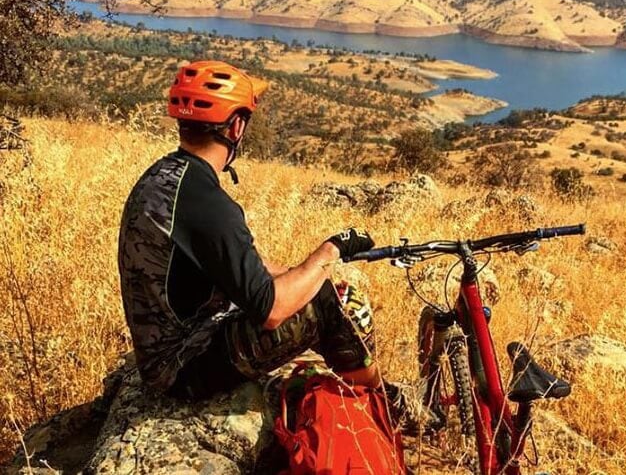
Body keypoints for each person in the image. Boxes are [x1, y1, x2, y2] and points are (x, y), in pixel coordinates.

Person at [117, 60, 411, 413]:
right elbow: (272, 310)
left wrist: (296, 273)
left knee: (314, 287)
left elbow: (238, 266)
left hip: (167, 352)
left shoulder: (167, 177)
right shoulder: (208, 204)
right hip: (181, 368)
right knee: (329, 301)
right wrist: (329, 252)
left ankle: (363, 393)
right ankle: (384, 405)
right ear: (236, 126)